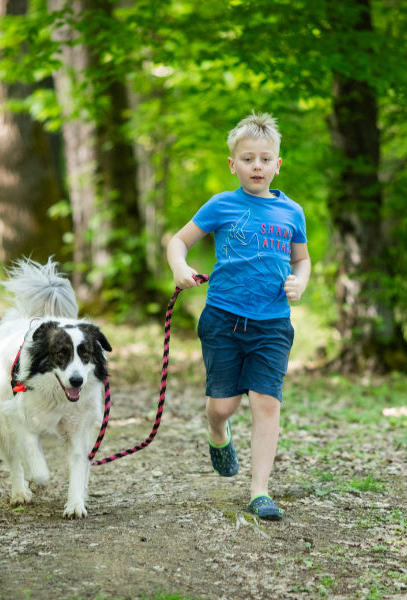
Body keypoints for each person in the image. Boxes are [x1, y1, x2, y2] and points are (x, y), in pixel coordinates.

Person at [166, 112, 311, 520]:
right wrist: (180, 267)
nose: (257, 166)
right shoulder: (221, 205)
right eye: (248, 159)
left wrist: (299, 282)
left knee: (267, 402)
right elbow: (179, 241)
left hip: (272, 324)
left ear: (277, 164)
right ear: (233, 164)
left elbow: (302, 260)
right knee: (223, 406)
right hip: (224, 320)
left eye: (265, 159)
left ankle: (259, 491)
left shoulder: (292, 212)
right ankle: (217, 432)